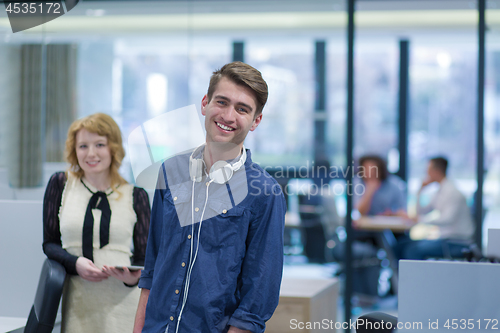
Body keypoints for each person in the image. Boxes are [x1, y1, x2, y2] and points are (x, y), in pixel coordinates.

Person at [134, 62, 286, 333]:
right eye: (222, 102)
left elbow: (256, 300)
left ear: (256, 121)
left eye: (242, 109)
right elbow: (152, 269)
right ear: (205, 103)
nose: (228, 115)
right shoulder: (171, 171)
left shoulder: (264, 193)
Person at [42, 113, 151, 332]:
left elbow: (144, 258)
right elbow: (49, 244)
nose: (91, 153)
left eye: (99, 144)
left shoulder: (136, 195)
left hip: (123, 304)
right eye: (83, 146)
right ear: (75, 150)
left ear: (113, 148)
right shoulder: (60, 184)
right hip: (78, 301)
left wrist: (131, 277)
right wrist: (75, 263)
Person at [398, 157, 475, 260]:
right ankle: (400, 275)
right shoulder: (439, 191)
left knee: (412, 250)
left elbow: (447, 220)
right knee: (400, 245)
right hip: (444, 239)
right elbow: (422, 211)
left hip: (456, 241)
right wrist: (420, 191)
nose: (426, 173)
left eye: (428, 170)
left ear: (436, 171)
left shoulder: (452, 192)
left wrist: (420, 220)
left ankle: (417, 276)